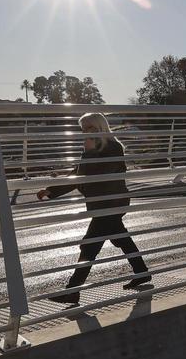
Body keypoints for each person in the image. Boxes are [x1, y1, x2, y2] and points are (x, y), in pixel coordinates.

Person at [36, 112, 151, 303]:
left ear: (100, 127)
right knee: (121, 238)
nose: (85, 132)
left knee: (89, 246)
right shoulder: (94, 147)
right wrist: (51, 190)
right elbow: (78, 174)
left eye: (89, 128)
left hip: (110, 203)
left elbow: (97, 174)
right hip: (105, 204)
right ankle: (141, 271)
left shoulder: (112, 147)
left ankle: (72, 290)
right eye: (83, 129)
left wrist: (88, 153)